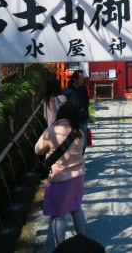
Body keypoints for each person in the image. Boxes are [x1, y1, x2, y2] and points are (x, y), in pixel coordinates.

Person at [35, 102, 86, 248]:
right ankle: (82, 240)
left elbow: (38, 150)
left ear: (60, 114)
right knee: (76, 209)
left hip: (59, 179)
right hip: (77, 178)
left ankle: (60, 248)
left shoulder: (51, 131)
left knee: (58, 216)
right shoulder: (79, 131)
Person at [62, 70, 90, 154]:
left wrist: (86, 113)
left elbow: (86, 101)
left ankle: (80, 162)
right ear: (75, 80)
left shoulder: (84, 88)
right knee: (71, 143)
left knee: (83, 143)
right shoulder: (67, 91)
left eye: (83, 79)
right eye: (81, 79)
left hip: (83, 118)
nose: (83, 81)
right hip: (71, 120)